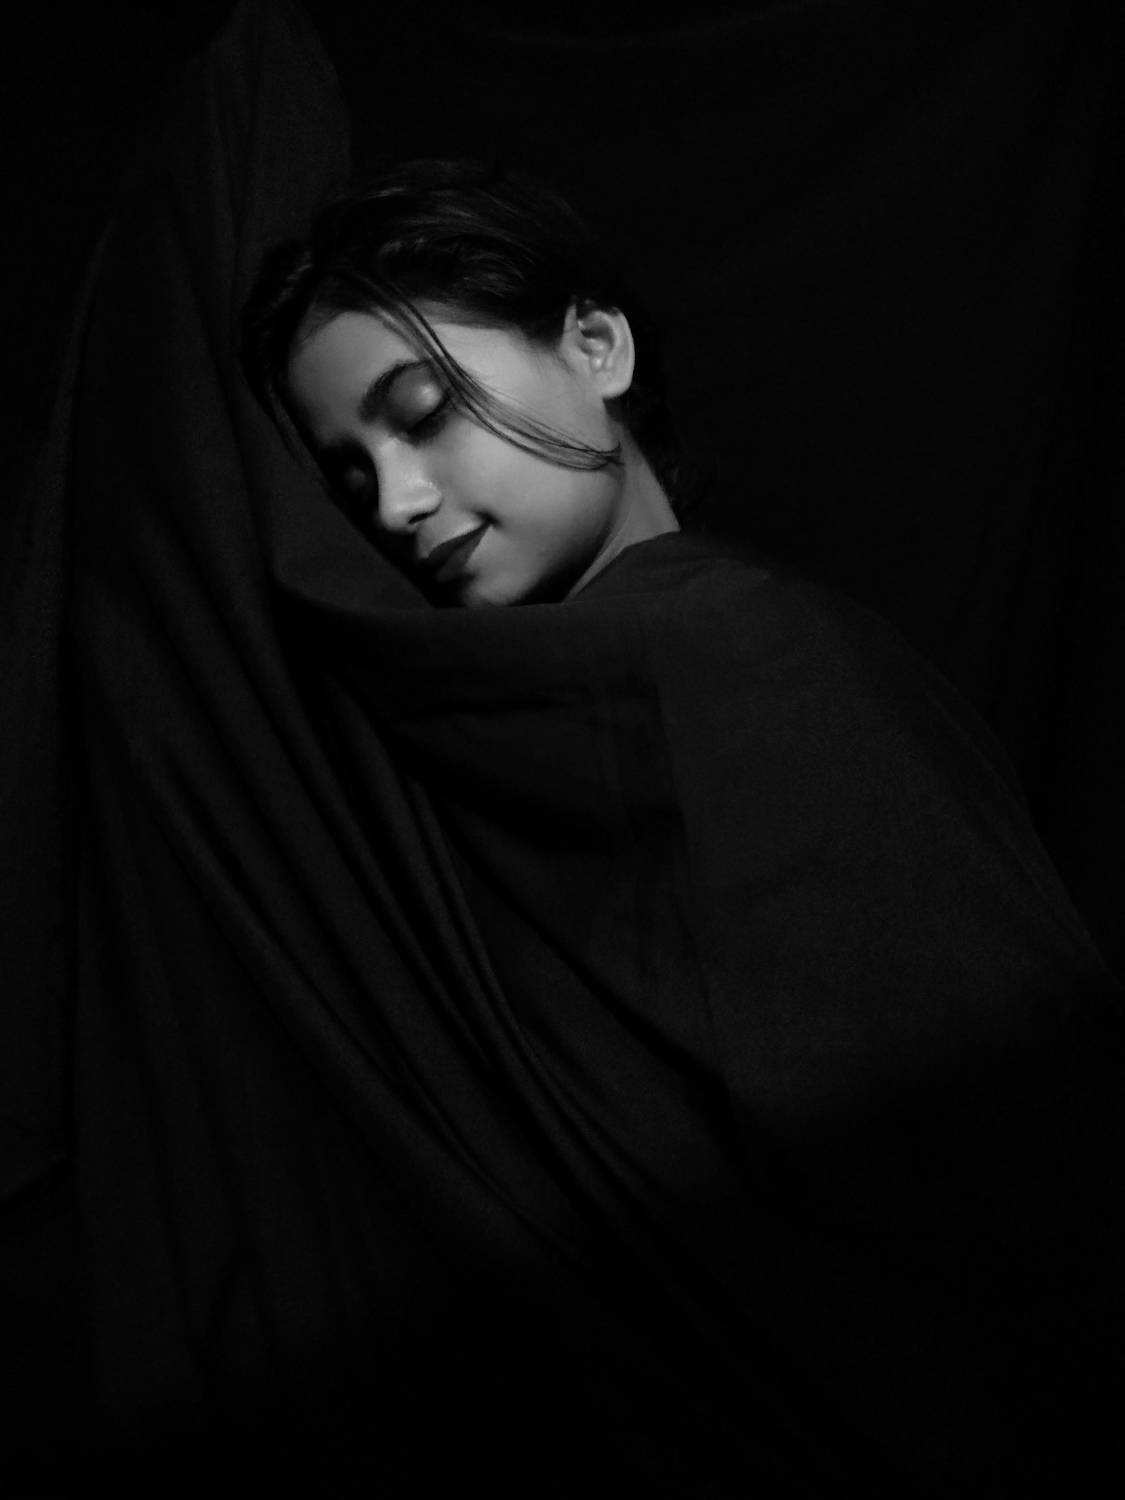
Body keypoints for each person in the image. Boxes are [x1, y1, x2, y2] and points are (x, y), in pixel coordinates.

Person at [240, 158, 1124, 1496]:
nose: (399, 502)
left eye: (423, 414)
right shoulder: (570, 703)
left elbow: (993, 1146)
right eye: (352, 477)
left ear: (595, 348)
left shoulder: (734, 656)